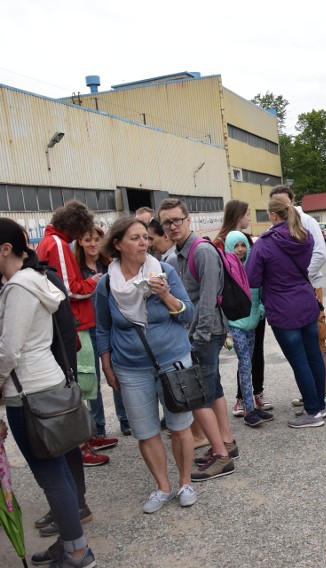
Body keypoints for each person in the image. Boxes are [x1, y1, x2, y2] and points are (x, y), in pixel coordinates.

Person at [0, 218, 98, 568]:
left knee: (51, 476)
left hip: (29, 393)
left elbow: (8, 351)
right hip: (43, 387)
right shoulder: (31, 281)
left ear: (6, 248)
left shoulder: (18, 289)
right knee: (57, 471)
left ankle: (77, 552)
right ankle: (72, 543)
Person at [94, 216, 199, 512]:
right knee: (145, 431)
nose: (144, 243)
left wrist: (165, 295)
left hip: (173, 360)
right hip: (130, 367)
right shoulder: (106, 285)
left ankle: (185, 482)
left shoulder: (163, 271)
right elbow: (102, 328)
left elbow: (187, 313)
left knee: (180, 426)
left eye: (145, 237)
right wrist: (106, 365)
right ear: (118, 245)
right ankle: (163, 488)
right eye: (135, 238)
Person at [158, 198, 237, 480]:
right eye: (167, 222)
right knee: (212, 388)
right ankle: (226, 441)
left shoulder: (201, 251)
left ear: (188, 219)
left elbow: (207, 300)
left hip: (205, 334)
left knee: (200, 393)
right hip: (191, 335)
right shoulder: (172, 255)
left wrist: (199, 338)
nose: (173, 226)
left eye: (177, 220)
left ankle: (222, 456)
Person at [36, 200, 114, 466]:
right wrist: (94, 281)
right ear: (74, 227)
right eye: (82, 231)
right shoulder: (57, 244)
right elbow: (67, 289)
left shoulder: (52, 242)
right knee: (81, 382)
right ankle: (80, 445)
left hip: (75, 322)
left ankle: (87, 436)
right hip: (75, 323)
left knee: (83, 382)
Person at [247, 196, 326, 427]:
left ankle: (312, 412)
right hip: (305, 300)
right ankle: (319, 406)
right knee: (313, 354)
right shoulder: (304, 236)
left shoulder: (264, 243)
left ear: (273, 215)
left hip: (283, 308)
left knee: (299, 359)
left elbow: (252, 279)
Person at [269, 185, 326, 411]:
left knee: (318, 340)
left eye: (282, 201)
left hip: (309, 287)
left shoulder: (307, 221)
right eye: (275, 203)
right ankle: (311, 393)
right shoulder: (278, 226)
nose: (280, 207)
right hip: (294, 291)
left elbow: (321, 253)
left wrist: (298, 277)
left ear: (292, 200)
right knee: (302, 347)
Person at [74, 227, 126, 440]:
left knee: (116, 372)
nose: (93, 243)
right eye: (88, 240)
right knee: (91, 377)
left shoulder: (110, 266)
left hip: (110, 325)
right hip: (87, 327)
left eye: (97, 239)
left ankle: (125, 419)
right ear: (81, 243)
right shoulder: (77, 269)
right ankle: (99, 427)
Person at [223, 231, 271, 427]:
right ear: (228, 248)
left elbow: (261, 292)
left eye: (243, 245)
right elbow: (221, 301)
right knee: (244, 363)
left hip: (252, 323)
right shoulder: (225, 270)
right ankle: (248, 410)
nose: (241, 249)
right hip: (236, 326)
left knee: (249, 363)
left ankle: (252, 405)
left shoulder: (253, 267)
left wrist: (261, 310)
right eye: (236, 246)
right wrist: (226, 329)